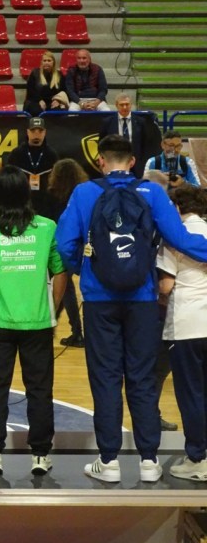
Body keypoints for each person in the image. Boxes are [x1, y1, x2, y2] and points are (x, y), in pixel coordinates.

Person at [56, 135, 207, 483]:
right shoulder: (152, 192)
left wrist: (86, 270)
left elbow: (64, 244)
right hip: (142, 300)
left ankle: (109, 461)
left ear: (100, 160)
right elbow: (180, 239)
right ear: (134, 162)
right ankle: (149, 461)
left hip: (99, 301)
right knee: (142, 379)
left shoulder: (84, 192)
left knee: (106, 378)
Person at [0, 165, 66, 476]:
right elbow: (60, 271)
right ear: (26, 193)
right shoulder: (47, 227)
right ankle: (40, 455)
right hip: (37, 322)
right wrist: (52, 309)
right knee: (39, 389)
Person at [156, 184, 207, 480]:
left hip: (187, 326)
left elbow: (166, 286)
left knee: (191, 395)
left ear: (176, 207)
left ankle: (198, 458)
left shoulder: (175, 237)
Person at [46, 158, 88, 348]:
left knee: (64, 287)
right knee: (67, 287)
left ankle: (63, 328)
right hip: (78, 243)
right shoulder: (81, 194)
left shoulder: (52, 195)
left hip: (59, 243)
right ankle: (75, 330)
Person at [4, 116, 60, 218]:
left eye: (40, 131)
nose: (36, 134)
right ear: (28, 132)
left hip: (46, 204)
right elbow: (9, 180)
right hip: (21, 203)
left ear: (45, 132)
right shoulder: (17, 154)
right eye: (33, 131)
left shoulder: (52, 155)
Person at [99, 93, 155, 178]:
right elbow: (102, 143)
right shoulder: (107, 122)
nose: (125, 107)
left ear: (131, 105)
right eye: (122, 105)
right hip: (114, 162)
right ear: (116, 105)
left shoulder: (141, 122)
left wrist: (142, 161)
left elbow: (146, 143)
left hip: (136, 163)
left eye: (127, 104)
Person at [23, 50, 68, 116]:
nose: (47, 62)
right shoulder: (35, 73)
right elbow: (30, 91)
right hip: (35, 101)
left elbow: (64, 90)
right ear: (42, 62)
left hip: (51, 102)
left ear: (53, 62)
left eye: (49, 61)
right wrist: (39, 100)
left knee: (59, 111)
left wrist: (58, 100)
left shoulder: (59, 75)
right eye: (44, 61)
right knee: (36, 110)